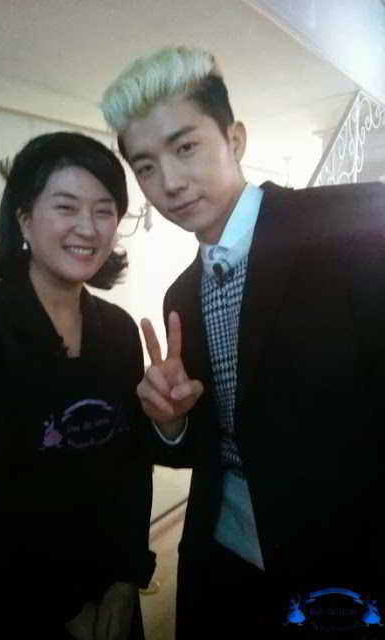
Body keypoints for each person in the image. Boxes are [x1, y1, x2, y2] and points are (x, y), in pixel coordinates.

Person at [100, 46, 385, 637]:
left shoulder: (353, 226)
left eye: (185, 147)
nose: (170, 183)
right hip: (221, 565)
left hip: (343, 564)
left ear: (235, 139)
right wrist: (172, 422)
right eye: (146, 167)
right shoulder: (182, 295)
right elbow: (206, 446)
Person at [0, 131, 156, 640]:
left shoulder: (119, 331)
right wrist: (67, 607)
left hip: (109, 581)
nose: (88, 227)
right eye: (66, 206)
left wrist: (127, 576)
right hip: (12, 591)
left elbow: (131, 465)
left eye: (104, 210)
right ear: (24, 218)